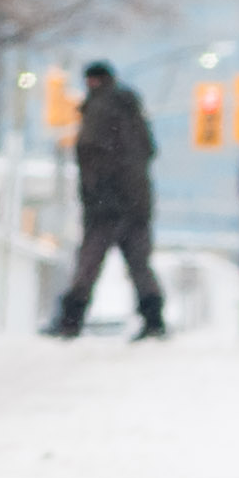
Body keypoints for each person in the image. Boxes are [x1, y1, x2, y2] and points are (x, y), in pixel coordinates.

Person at [48, 60, 163, 340]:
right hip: (137, 202)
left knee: (87, 265)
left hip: (105, 205)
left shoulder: (99, 110)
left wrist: (98, 195)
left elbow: (91, 154)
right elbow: (148, 151)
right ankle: (153, 319)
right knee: (139, 265)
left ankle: (70, 322)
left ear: (92, 81)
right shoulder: (133, 111)